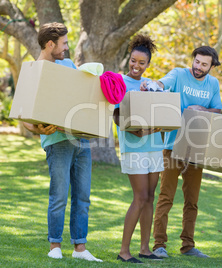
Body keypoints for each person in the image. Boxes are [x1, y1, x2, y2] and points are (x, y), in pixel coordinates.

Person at [23, 22, 102, 262]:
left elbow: (78, 96)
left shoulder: (68, 65)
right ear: (50, 44)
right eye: (64, 43)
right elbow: (23, 115)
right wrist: (38, 128)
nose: (67, 48)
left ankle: (80, 248)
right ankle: (54, 245)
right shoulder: (34, 71)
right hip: (57, 142)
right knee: (59, 196)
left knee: (83, 196)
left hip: (80, 140)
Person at [140, 46, 222, 258]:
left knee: (192, 200)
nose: (198, 67)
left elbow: (218, 109)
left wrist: (202, 109)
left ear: (211, 66)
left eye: (204, 64)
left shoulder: (213, 83)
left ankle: (188, 245)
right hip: (171, 145)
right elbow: (161, 83)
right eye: (196, 62)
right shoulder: (178, 74)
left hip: (196, 147)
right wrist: (151, 85)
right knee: (166, 196)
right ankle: (159, 245)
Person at [113, 34, 164, 264]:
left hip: (154, 146)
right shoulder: (120, 83)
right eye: (134, 60)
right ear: (129, 58)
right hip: (134, 147)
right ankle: (124, 250)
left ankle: (145, 248)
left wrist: (154, 92)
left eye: (142, 63)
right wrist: (137, 130)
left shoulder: (152, 85)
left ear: (148, 65)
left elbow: (161, 112)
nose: (136, 66)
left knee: (151, 197)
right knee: (140, 196)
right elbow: (116, 116)